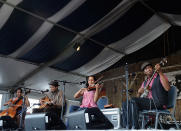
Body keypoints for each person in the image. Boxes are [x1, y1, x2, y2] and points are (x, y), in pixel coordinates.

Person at [121, 61, 170, 129]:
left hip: (158, 102)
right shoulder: (145, 83)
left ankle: (135, 127)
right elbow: (138, 98)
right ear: (144, 72)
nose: (148, 69)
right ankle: (127, 126)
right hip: (149, 103)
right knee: (125, 103)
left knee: (133, 100)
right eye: (146, 69)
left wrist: (160, 72)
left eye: (150, 67)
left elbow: (167, 88)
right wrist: (139, 92)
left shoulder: (159, 76)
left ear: (152, 69)